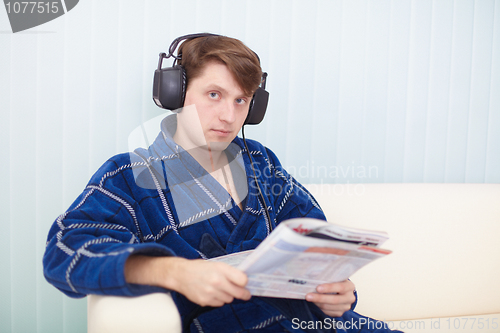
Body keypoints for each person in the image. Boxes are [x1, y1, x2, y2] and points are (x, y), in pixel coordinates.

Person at [43, 34, 401, 333]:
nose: (229, 116)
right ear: (175, 91)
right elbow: (65, 250)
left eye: (241, 100)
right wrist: (174, 272)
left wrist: (339, 293)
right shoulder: (129, 174)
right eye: (214, 94)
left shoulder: (261, 164)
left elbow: (320, 244)